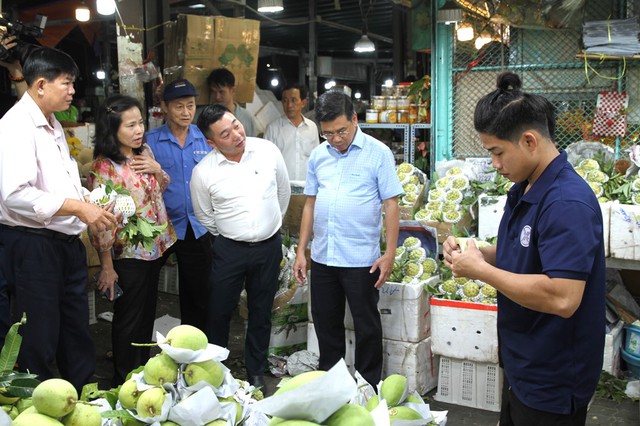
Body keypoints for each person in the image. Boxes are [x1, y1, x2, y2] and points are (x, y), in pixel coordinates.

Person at [442, 71, 605, 425]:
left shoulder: (566, 203)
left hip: (554, 376)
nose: (495, 164)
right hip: (523, 363)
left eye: (498, 152)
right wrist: (478, 254)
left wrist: (481, 272)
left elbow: (563, 297)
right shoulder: (527, 188)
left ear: (530, 141)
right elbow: (526, 258)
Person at [0, 46, 118, 392]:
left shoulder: (52, 124)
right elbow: (14, 194)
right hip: (32, 247)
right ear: (39, 85)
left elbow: (62, 182)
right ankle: (40, 402)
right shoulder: (15, 127)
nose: (72, 92)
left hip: (65, 245)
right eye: (66, 84)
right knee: (39, 331)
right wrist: (79, 208)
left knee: (75, 327)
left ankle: (80, 394)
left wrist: (89, 204)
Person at [292, 91, 402, 387]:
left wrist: (389, 253)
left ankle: (368, 386)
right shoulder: (318, 155)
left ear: (354, 119)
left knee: (366, 325)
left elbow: (391, 204)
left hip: (361, 258)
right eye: (328, 134)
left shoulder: (378, 153)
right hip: (324, 256)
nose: (336, 139)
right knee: (326, 325)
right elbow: (310, 203)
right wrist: (302, 250)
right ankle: (333, 385)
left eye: (341, 130)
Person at [191, 104, 290, 389]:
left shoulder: (267, 151)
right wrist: (234, 234)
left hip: (268, 247)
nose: (237, 134)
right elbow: (205, 216)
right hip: (229, 250)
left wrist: (267, 226)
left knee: (261, 311)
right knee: (219, 311)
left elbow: (283, 193)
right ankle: (216, 372)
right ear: (211, 142)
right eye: (225, 133)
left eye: (236, 125)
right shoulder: (203, 172)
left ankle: (256, 371)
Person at [88, 94, 177, 386]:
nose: (139, 130)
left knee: (145, 315)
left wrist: (157, 170)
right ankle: (124, 381)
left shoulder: (143, 151)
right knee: (128, 319)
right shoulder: (104, 168)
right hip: (128, 256)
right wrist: (107, 266)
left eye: (140, 122)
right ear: (112, 129)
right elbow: (101, 224)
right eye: (130, 125)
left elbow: (159, 189)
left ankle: (143, 373)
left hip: (155, 249)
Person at [146, 79, 213, 331]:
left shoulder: (204, 140)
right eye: (179, 106)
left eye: (191, 106)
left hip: (196, 226)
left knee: (197, 293)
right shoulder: (150, 141)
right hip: (159, 228)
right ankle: (137, 344)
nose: (186, 112)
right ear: (164, 107)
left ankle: (194, 348)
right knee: (145, 289)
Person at [264, 83, 320, 181]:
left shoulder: (312, 127)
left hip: (306, 187)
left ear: (303, 102)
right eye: (285, 101)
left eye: (294, 100)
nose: (289, 105)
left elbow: (316, 159)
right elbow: (266, 162)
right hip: (281, 188)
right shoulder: (272, 129)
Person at [197, 67, 257, 137]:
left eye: (221, 92)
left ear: (233, 90)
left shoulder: (246, 118)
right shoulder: (201, 117)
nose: (217, 97)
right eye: (213, 92)